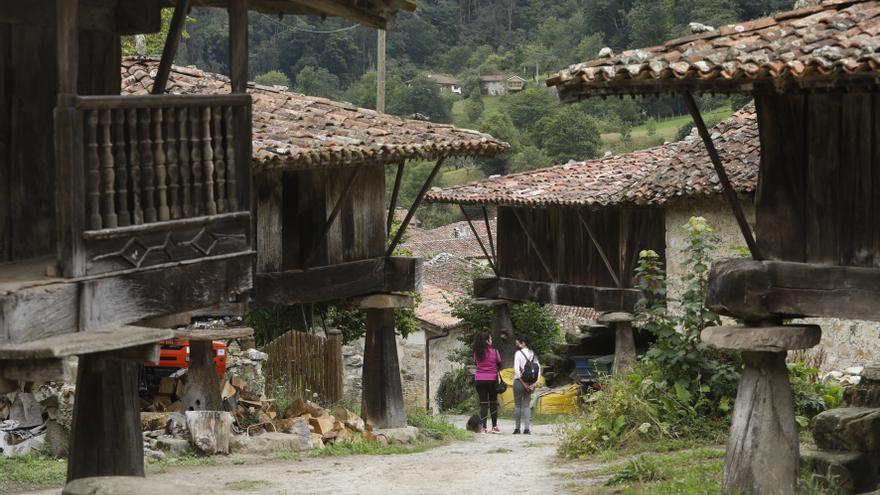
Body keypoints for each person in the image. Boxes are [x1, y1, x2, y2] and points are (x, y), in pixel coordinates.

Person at [472, 332, 502, 434]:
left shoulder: (477, 353)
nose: (491, 340)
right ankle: (494, 427)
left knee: (483, 404)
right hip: (492, 380)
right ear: (487, 341)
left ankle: (483, 427)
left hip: (479, 380)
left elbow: (476, 364)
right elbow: (499, 364)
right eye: (490, 339)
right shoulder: (495, 352)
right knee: (493, 403)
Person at [513, 334, 541, 435]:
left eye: (518, 342)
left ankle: (517, 429)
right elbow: (538, 369)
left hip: (519, 382)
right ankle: (527, 429)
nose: (517, 344)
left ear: (523, 343)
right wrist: (534, 384)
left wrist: (523, 383)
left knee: (517, 405)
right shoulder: (533, 353)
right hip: (531, 383)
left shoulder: (518, 353)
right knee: (526, 406)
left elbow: (516, 370)